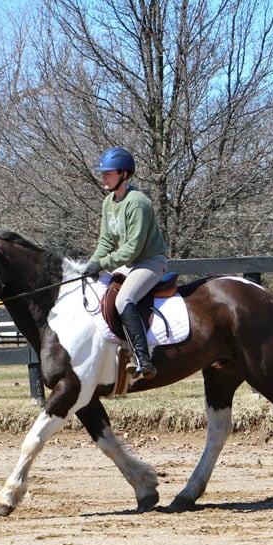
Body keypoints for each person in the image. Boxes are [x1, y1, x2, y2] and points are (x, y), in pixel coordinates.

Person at [84, 147, 168, 379]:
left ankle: (143, 359)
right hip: (128, 263)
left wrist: (104, 262)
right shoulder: (108, 203)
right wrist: (91, 264)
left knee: (124, 300)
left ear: (123, 173)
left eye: (108, 173)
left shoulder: (137, 203)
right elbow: (105, 242)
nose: (103, 177)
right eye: (103, 173)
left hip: (149, 262)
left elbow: (133, 249)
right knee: (97, 291)